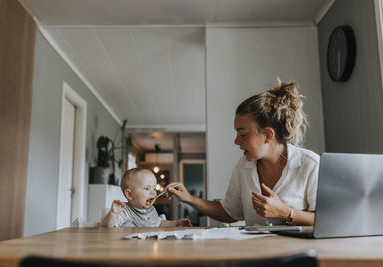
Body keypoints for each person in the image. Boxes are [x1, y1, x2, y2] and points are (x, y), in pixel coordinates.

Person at [166, 79, 319, 226]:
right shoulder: (243, 167)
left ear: (268, 135)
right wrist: (189, 199)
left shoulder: (311, 164)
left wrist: (285, 213)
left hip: (298, 252)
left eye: (243, 135)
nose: (236, 141)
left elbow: (325, 219)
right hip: (254, 252)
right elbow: (230, 212)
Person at [102, 168, 192, 227]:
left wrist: (176, 223)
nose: (153, 192)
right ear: (129, 194)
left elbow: (159, 224)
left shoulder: (151, 210)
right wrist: (113, 214)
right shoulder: (125, 211)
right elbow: (107, 229)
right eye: (147, 188)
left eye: (154, 188)